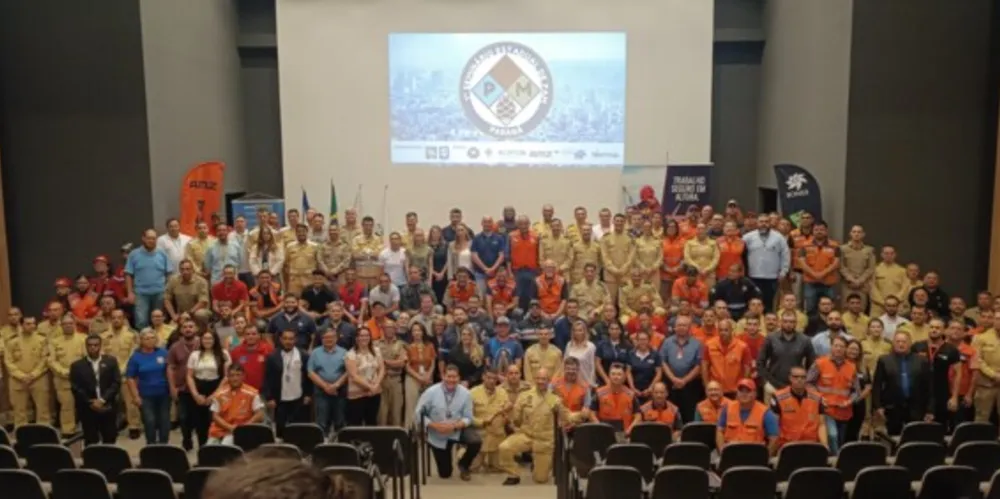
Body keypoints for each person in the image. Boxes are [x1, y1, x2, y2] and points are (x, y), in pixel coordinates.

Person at [499, 367, 578, 485]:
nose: (541, 381)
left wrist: (581, 415)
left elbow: (567, 417)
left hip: (544, 440)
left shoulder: (554, 399)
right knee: (504, 448)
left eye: (544, 379)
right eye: (539, 378)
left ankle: (537, 464)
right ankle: (513, 474)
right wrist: (508, 412)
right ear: (535, 379)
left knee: (540, 479)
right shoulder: (525, 396)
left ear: (548, 380)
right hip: (526, 435)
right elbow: (516, 419)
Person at [414, 364, 481, 481]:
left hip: (458, 429)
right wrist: (434, 425)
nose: (451, 380)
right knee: (445, 474)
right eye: (449, 376)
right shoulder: (430, 392)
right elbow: (418, 414)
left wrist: (454, 426)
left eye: (454, 377)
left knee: (475, 441)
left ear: (459, 378)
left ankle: (464, 464)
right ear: (443, 376)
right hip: (438, 432)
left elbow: (468, 418)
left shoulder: (466, 393)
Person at [872, 331, 935, 434]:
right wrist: (878, 406)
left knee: (915, 438)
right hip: (892, 408)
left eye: (904, 341)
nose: (900, 344)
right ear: (893, 343)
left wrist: (930, 409)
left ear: (910, 343)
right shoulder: (884, 360)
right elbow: (877, 385)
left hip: (917, 408)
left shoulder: (922, 360)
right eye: (898, 341)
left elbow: (929, 387)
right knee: (894, 438)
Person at [806, 336, 857, 452]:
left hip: (844, 411)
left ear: (846, 349)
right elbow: (808, 383)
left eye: (842, 346)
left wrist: (850, 400)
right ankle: (836, 462)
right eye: (836, 346)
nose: (839, 349)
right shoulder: (819, 363)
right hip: (826, 409)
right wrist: (818, 398)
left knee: (840, 440)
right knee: (832, 436)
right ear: (831, 347)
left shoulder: (852, 367)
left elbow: (856, 391)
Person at [70, 334, 121, 445]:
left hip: (107, 406)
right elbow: (75, 387)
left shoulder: (111, 362)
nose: (93, 347)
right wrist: (90, 402)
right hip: (88, 408)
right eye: (90, 345)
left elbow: (116, 383)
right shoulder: (77, 366)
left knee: (110, 438)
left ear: (100, 346)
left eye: (96, 345)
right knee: (90, 439)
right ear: (86, 347)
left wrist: (102, 400)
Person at [262, 330, 313, 438]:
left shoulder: (303, 355)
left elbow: (308, 376)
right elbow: (267, 378)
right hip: (280, 399)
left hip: (298, 398)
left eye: (291, 339)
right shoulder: (272, 357)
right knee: (280, 429)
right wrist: (269, 397)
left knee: (299, 428)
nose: (288, 341)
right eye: (285, 338)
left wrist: (308, 394)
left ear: (295, 340)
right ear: (280, 339)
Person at [759, 310, 816, 406]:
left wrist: (804, 381)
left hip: (797, 386)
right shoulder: (771, 338)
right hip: (773, 385)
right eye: (785, 321)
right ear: (780, 322)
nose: (788, 324)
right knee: (771, 418)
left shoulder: (805, 340)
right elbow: (760, 362)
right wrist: (765, 382)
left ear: (796, 323)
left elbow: (812, 364)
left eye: (791, 322)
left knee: (793, 417)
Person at [910, 318, 960, 428]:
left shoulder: (951, 349)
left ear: (944, 331)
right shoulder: (917, 346)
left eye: (937, 328)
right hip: (920, 393)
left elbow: (957, 374)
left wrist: (954, 397)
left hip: (942, 393)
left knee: (939, 427)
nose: (934, 330)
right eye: (931, 327)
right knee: (918, 427)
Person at [186, 330, 232, 448]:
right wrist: (195, 394)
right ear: (201, 340)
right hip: (199, 388)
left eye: (210, 338)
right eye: (205, 338)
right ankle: (203, 450)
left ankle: (216, 450)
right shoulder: (194, 355)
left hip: (217, 388)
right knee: (200, 424)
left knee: (215, 422)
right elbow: (189, 376)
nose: (207, 341)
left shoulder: (223, 353)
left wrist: (214, 395)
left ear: (215, 340)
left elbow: (226, 377)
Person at [126, 329, 171, 444]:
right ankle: (151, 446)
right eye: (147, 338)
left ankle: (164, 446)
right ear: (141, 340)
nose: (150, 341)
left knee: (164, 422)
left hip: (164, 394)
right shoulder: (136, 357)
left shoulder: (163, 353)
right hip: (145, 396)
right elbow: (130, 378)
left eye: (152, 338)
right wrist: (135, 396)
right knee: (150, 421)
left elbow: (170, 371)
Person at [771, 366, 829, 452]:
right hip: (787, 446)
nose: (799, 380)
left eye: (803, 377)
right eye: (796, 377)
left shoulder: (817, 398)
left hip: (811, 444)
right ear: (790, 378)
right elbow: (774, 426)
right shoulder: (778, 397)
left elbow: (822, 424)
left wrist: (825, 445)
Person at [125, 228, 173, 329]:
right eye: (149, 238)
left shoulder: (162, 254)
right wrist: (130, 293)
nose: (151, 240)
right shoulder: (133, 254)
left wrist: (167, 292)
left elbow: (169, 274)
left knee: (158, 322)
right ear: (143, 238)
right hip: (141, 294)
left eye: (154, 238)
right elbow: (128, 274)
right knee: (141, 322)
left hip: (160, 293)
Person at [207, 364, 266, 445]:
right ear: (227, 377)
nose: (235, 378)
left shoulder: (252, 393)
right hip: (220, 429)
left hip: (241, 430)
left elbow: (260, 415)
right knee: (209, 448)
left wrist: (244, 427)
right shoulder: (219, 394)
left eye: (238, 375)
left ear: (243, 376)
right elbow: (215, 416)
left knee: (226, 445)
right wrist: (229, 427)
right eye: (232, 375)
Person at [659, 316, 704, 422]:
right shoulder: (667, 342)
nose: (681, 327)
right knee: (671, 415)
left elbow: (698, 365)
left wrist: (684, 380)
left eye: (684, 325)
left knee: (689, 415)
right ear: (674, 327)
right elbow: (663, 362)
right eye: (679, 325)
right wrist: (673, 378)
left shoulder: (697, 344)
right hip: (671, 385)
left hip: (690, 386)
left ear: (689, 327)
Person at [716, 379, 779, 452]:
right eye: (741, 391)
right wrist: (722, 451)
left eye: (748, 391)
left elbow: (774, 439)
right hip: (731, 453)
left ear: (755, 393)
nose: (744, 394)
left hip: (754, 454)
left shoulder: (765, 412)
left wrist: (765, 457)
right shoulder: (727, 408)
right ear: (737, 393)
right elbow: (719, 431)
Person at [48, 314, 85, 436]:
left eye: (70, 323)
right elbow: (51, 361)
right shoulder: (54, 342)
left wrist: (78, 373)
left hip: (82, 379)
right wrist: (63, 372)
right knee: (67, 406)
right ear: (61, 325)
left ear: (74, 324)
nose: (68, 326)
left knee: (86, 405)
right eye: (65, 324)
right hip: (62, 379)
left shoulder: (83, 339)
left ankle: (88, 429)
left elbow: (88, 359)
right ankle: (68, 430)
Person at [307, 329, 348, 436]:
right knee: (322, 422)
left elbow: (348, 372)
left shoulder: (344, 352)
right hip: (321, 392)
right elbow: (310, 372)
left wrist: (336, 385)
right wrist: (326, 387)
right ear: (322, 339)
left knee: (340, 421)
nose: (329, 339)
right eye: (326, 337)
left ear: (336, 338)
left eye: (331, 337)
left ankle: (341, 447)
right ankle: (323, 447)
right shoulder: (315, 352)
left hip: (339, 392)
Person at [167, 319, 199, 450]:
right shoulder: (175, 347)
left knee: (200, 418)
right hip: (182, 388)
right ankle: (187, 440)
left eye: (191, 326)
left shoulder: (203, 343)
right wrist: (172, 387)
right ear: (181, 330)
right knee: (184, 417)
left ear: (196, 328)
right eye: (185, 327)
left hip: (200, 387)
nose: (188, 329)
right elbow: (170, 367)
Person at [797, 221, 840, 314]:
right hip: (810, 282)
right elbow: (801, 262)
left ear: (826, 231)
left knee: (830, 310)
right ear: (812, 230)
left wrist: (822, 274)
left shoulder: (835, 245)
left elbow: (836, 263)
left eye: (821, 229)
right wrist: (814, 275)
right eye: (816, 229)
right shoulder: (804, 245)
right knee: (810, 309)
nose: (819, 231)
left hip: (828, 283)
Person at [345, 328, 383, 426]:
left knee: (372, 421)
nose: (364, 338)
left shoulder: (376, 351)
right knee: (355, 422)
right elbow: (354, 376)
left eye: (366, 335)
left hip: (375, 393)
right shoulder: (351, 354)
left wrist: (376, 385)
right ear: (357, 338)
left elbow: (382, 369)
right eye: (361, 336)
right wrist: (370, 387)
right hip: (357, 394)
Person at [404, 322, 436, 429]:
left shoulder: (430, 345)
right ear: (411, 333)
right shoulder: (407, 346)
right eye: (414, 330)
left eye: (419, 330)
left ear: (423, 332)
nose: (417, 333)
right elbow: (407, 366)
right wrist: (418, 377)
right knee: (412, 406)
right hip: (413, 378)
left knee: (427, 406)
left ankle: (427, 431)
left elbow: (433, 362)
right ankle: (411, 431)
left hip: (427, 378)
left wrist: (428, 375)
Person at [590, 363, 639, 432]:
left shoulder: (631, 395)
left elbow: (638, 416)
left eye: (619, 374)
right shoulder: (599, 393)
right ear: (609, 375)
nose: (616, 377)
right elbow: (592, 413)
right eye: (613, 374)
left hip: (625, 434)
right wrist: (599, 427)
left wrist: (630, 430)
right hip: (604, 432)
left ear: (624, 377)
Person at [376, 321, 407, 427]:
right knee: (381, 413)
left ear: (395, 329)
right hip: (380, 382)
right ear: (383, 329)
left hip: (395, 381)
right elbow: (374, 363)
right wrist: (393, 362)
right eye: (387, 327)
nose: (389, 330)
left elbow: (401, 363)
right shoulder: (375, 344)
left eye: (391, 327)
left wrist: (383, 361)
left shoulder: (401, 344)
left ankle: (397, 439)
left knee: (396, 412)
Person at [230, 324, 274, 391]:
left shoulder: (268, 349)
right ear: (244, 336)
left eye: (253, 334)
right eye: (247, 334)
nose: (250, 336)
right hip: (244, 391)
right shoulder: (235, 352)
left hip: (263, 392)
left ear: (259, 335)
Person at [626, 331, 662, 402]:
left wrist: (650, 388)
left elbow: (659, 373)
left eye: (645, 339)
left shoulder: (655, 354)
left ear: (649, 340)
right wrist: (632, 388)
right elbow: (628, 372)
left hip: (650, 390)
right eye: (640, 339)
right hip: (634, 389)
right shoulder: (631, 354)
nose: (643, 342)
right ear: (637, 341)